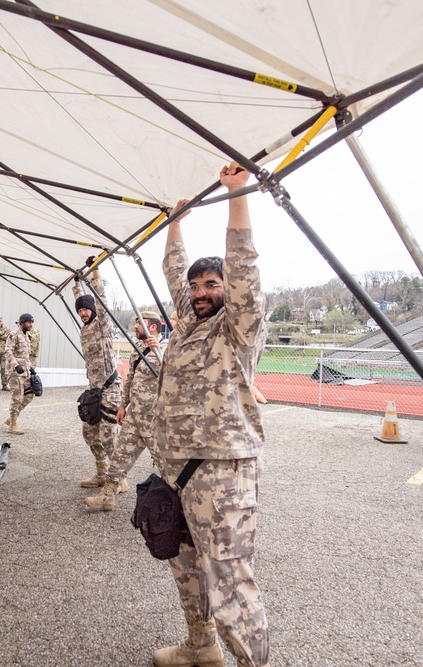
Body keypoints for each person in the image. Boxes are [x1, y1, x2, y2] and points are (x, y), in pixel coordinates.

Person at [150, 164, 270, 667]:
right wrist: (176, 221)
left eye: (211, 283)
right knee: (185, 566)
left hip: (220, 473)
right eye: (197, 285)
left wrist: (236, 193)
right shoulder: (185, 325)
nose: (200, 291)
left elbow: (243, 267)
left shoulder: (237, 328)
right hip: (175, 469)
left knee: (228, 580)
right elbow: (174, 271)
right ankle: (201, 648)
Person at [84, 312, 163, 511]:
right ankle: (106, 497)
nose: (135, 326)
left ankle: (184, 510)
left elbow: (176, 377)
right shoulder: (138, 351)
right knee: (119, 457)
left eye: (139, 322)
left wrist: (159, 351)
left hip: (155, 419)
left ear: (152, 327)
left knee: (167, 465)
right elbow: (130, 380)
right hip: (135, 417)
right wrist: (122, 405)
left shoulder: (168, 349)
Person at [73, 260, 122, 488]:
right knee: (89, 434)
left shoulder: (103, 326)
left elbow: (101, 303)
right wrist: (76, 284)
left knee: (109, 438)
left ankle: (119, 479)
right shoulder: (84, 329)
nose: (83, 312)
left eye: (86, 309)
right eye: (80, 310)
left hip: (110, 390)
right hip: (94, 391)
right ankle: (102, 473)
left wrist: (95, 273)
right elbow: (80, 301)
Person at [4, 313, 36, 435]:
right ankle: (12, 425)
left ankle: (13, 416)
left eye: (32, 322)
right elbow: (7, 351)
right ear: (21, 323)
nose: (31, 325)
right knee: (16, 397)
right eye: (29, 322)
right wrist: (16, 365)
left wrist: (31, 368)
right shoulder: (14, 335)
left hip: (25, 371)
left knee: (30, 394)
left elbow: (25, 355)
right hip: (15, 372)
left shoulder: (27, 336)